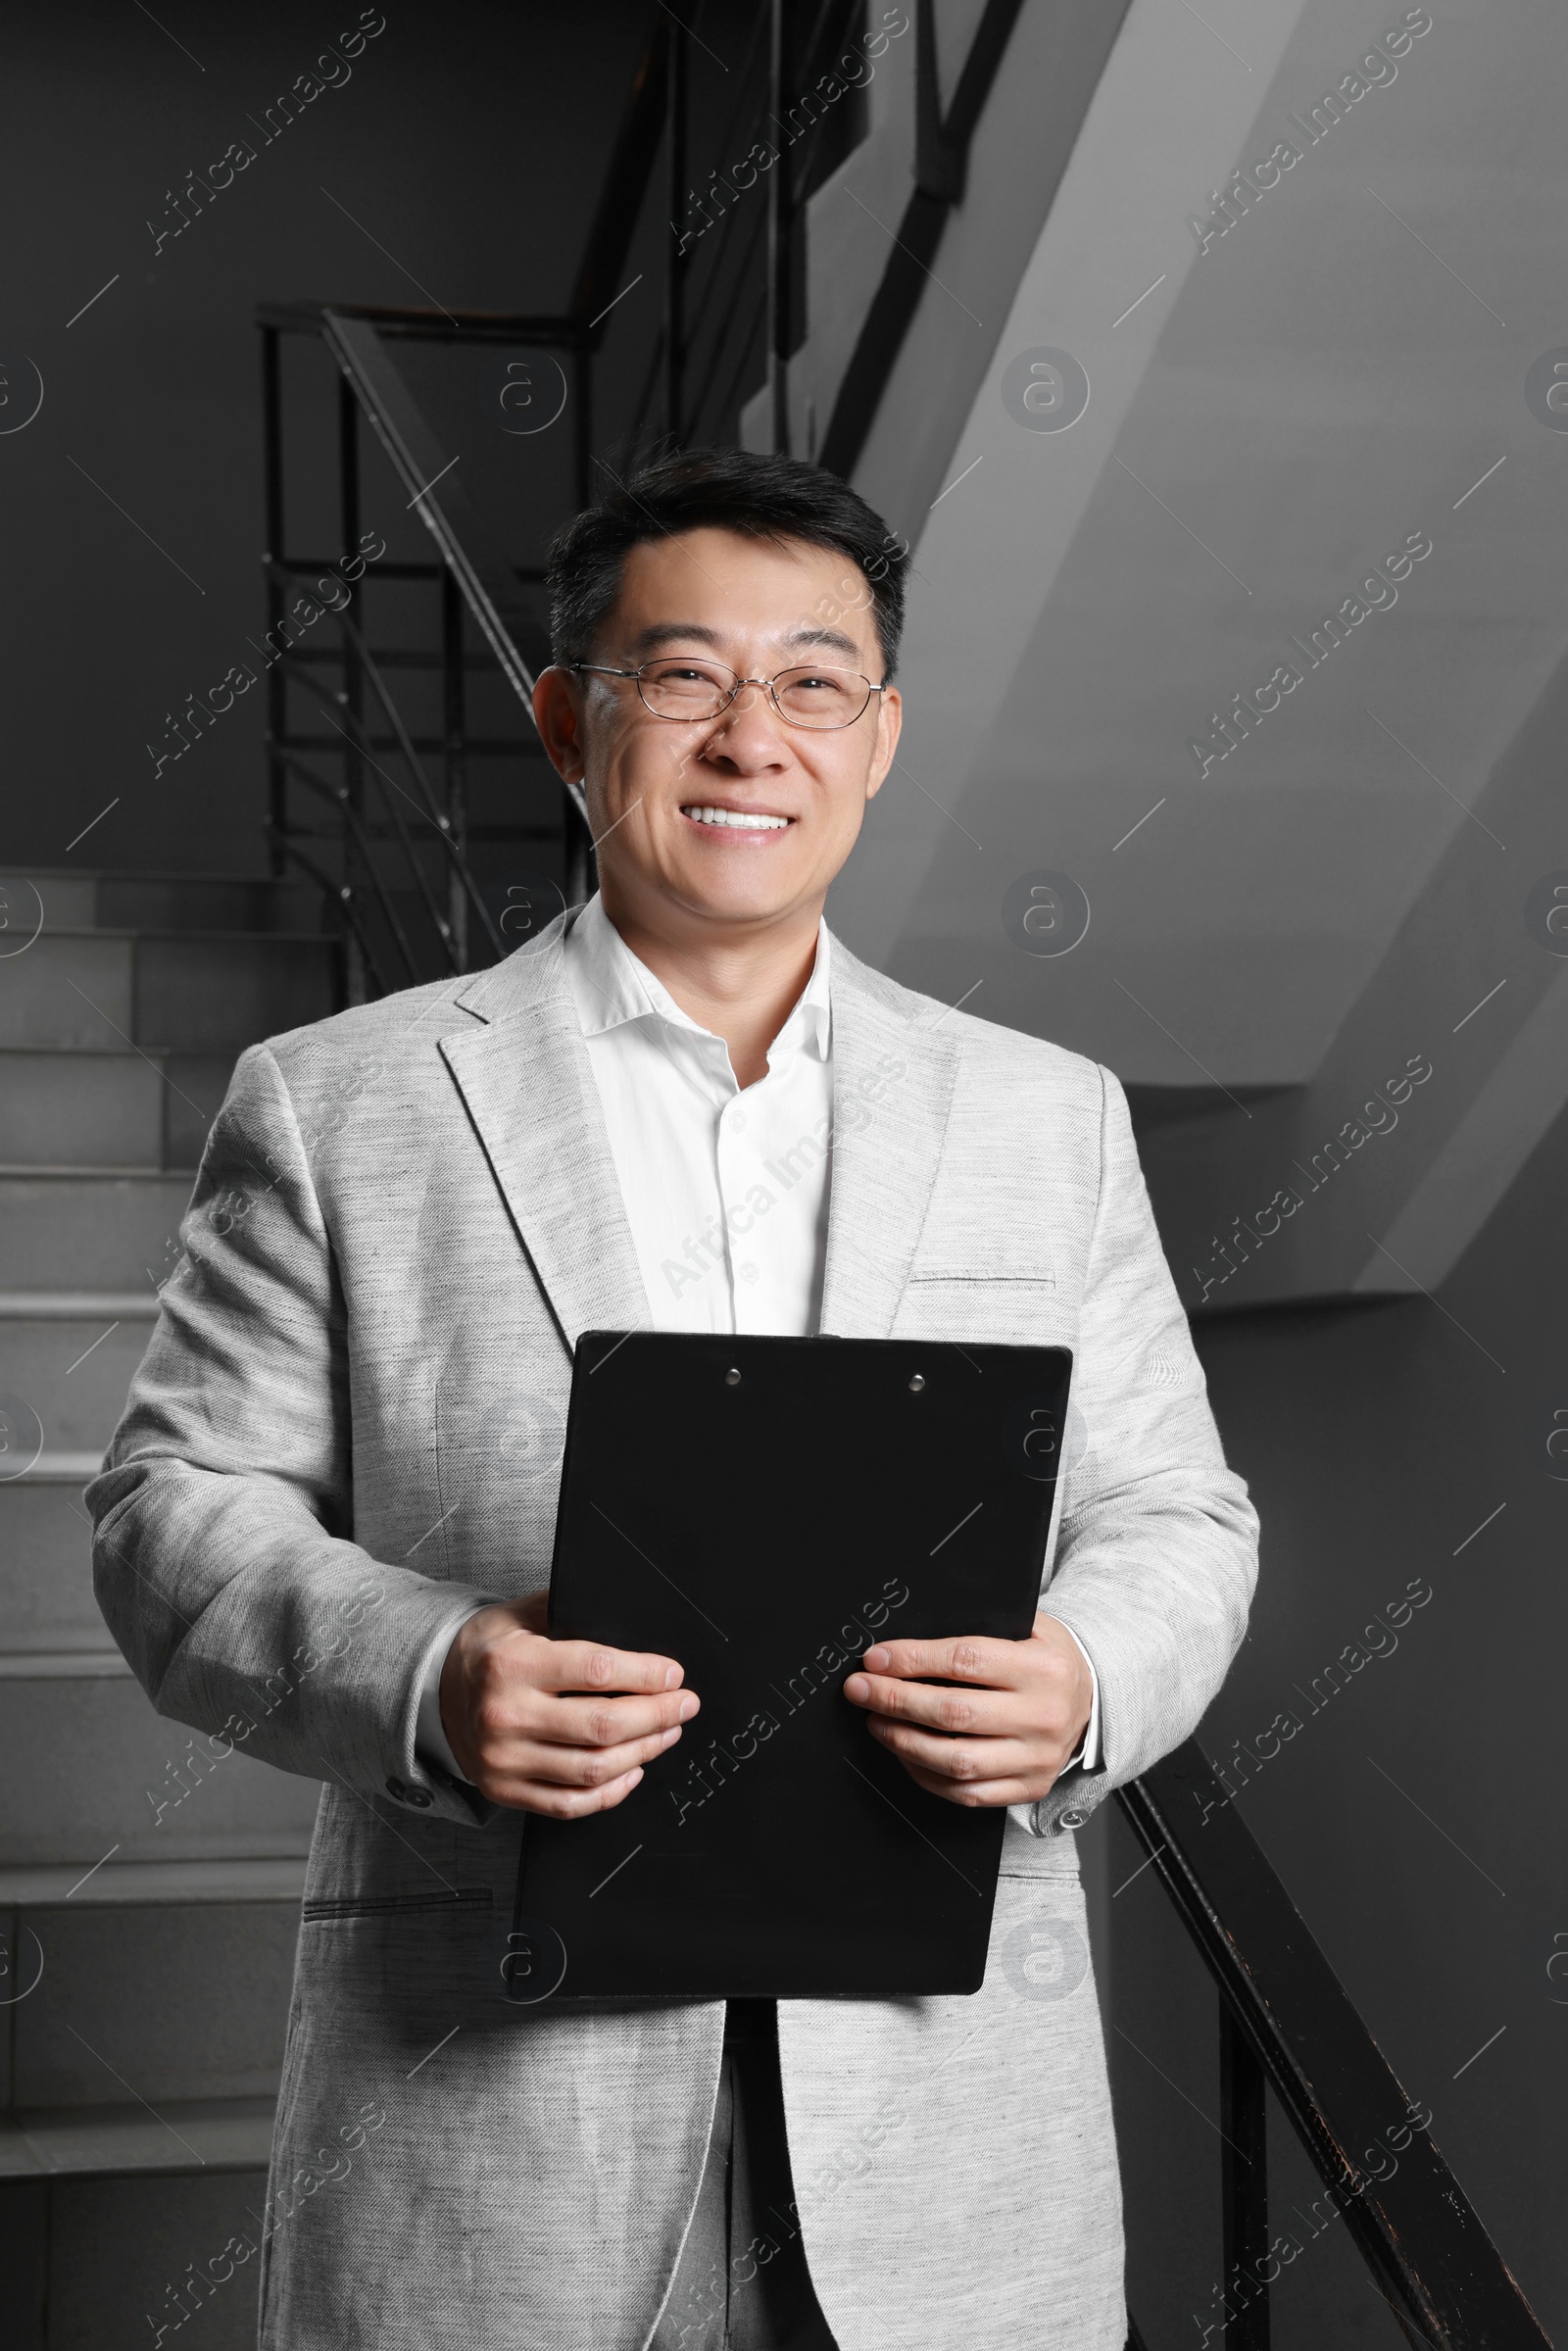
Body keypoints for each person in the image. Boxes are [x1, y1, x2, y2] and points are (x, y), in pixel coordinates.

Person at [90, 447, 1259, 2350]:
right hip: (483, 2111)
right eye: (682, 676)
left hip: (943, 2138)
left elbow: (1176, 1513)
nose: (750, 738)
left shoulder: (1045, 1116)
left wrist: (1087, 1686)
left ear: (875, 738)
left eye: (811, 683)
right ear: (569, 717)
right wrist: (426, 1668)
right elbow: (167, 1511)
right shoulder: (340, 1100)